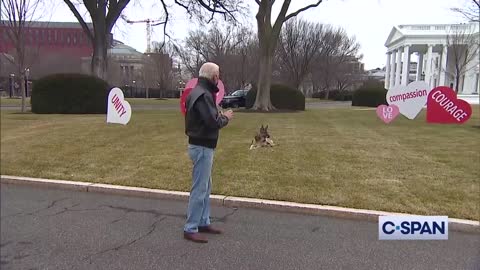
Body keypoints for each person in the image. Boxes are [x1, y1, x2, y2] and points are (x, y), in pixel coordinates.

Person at [183, 62, 234, 243]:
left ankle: (203, 221)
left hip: (200, 145)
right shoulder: (203, 95)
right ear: (213, 77)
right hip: (202, 147)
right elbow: (212, 122)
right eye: (218, 75)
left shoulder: (198, 92)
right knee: (200, 188)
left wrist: (217, 115)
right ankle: (190, 227)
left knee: (206, 187)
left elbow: (204, 118)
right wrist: (225, 117)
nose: (218, 78)